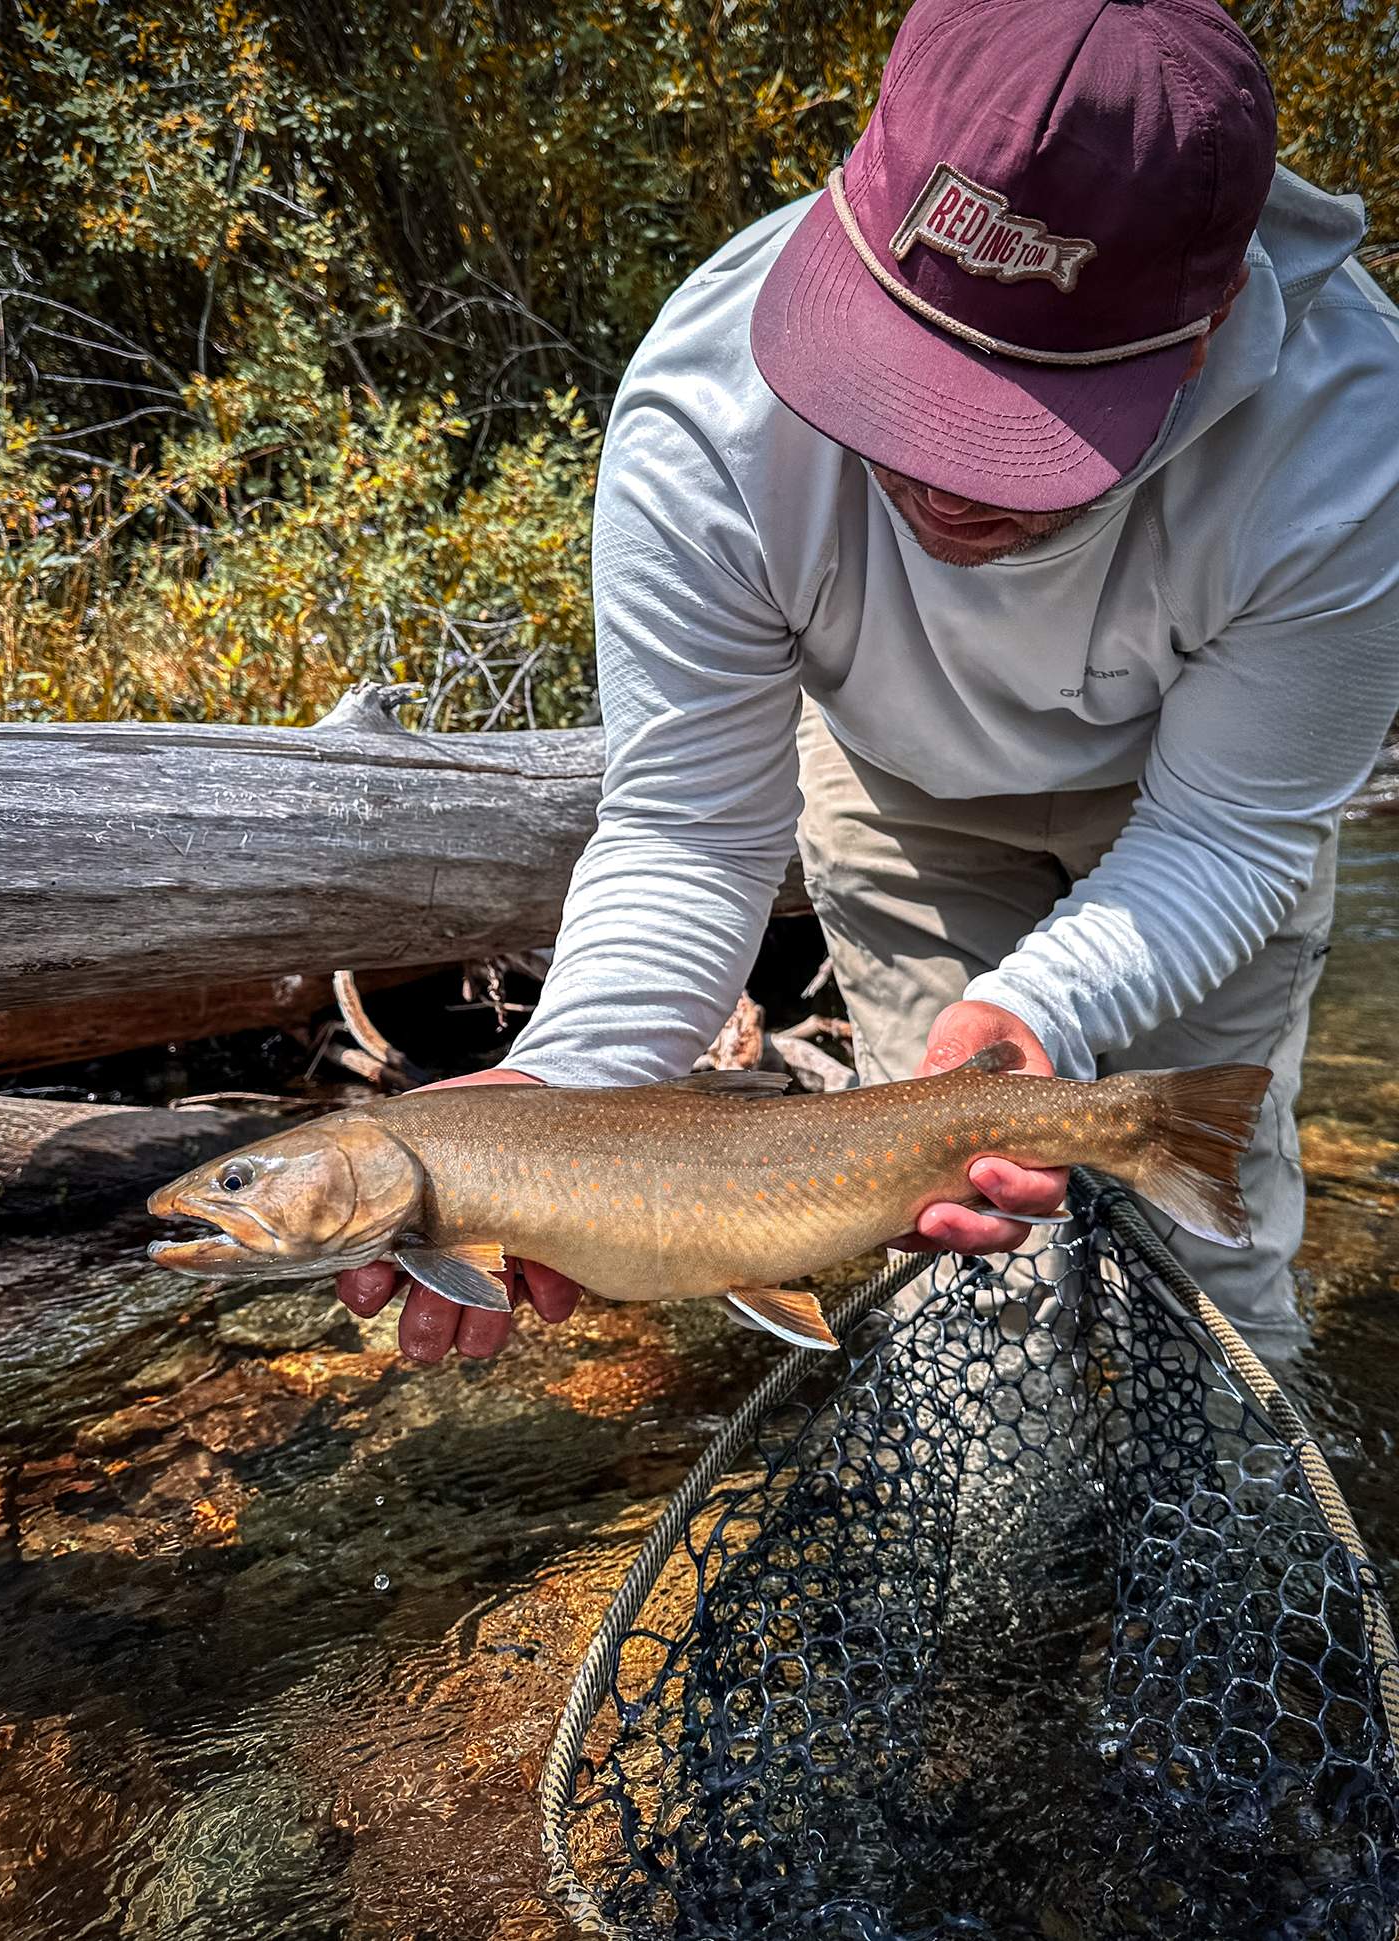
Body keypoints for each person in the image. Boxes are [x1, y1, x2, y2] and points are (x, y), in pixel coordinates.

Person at [339, 0, 1399, 1364]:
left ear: (1206, 336)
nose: (938, 470)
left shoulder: (1352, 434)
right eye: (899, 373)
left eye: (1022, 420)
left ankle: (1244, 1539)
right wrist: (563, 1090)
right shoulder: (709, 407)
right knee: (974, 1298)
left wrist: (1044, 1012)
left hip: (1194, 812)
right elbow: (689, 831)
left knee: (1215, 1267)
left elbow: (1231, 830)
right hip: (899, 787)